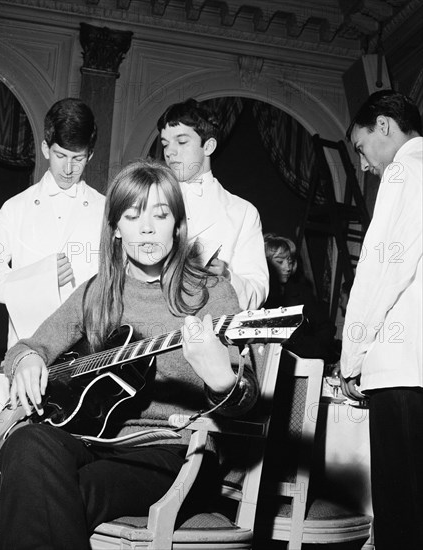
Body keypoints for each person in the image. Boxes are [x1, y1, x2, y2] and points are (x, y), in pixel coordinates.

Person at [0, 159, 260, 549]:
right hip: (95, 440)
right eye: (133, 216)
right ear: (116, 229)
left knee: (52, 495)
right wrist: (27, 359)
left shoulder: (210, 292)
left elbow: (249, 398)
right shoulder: (97, 291)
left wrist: (222, 380)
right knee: (26, 445)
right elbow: (28, 345)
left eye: (161, 214)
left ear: (178, 226)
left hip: (176, 451)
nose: (148, 227)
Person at [339, 90, 422, 549]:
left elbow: (381, 270)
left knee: (401, 515)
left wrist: (351, 355)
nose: (364, 163)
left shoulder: (403, 172)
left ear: (385, 125)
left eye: (361, 146)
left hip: (402, 370)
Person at [0, 98, 105, 347]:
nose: (68, 168)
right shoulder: (15, 208)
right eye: (60, 155)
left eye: (77, 159)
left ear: (90, 156)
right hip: (28, 348)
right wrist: (39, 282)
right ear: (45, 149)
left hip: (87, 350)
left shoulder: (106, 210)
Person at [157, 98, 269, 311]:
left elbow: (257, 293)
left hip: (210, 330)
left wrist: (226, 276)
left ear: (208, 146)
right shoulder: (150, 200)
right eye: (165, 144)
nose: (170, 152)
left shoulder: (242, 212)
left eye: (181, 142)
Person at [263, 233, 336, 363]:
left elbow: (326, 328)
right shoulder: (256, 295)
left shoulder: (302, 293)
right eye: (280, 262)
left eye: (290, 261)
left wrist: (308, 351)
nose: (288, 268)